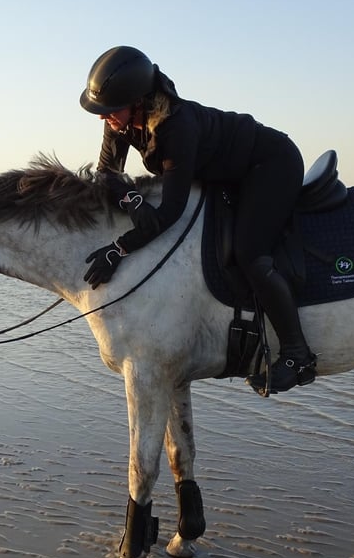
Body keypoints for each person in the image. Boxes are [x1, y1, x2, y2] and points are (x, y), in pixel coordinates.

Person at [79, 45, 316, 393]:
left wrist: (118, 249)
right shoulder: (121, 120)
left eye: (111, 110)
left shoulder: (176, 128)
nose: (104, 118)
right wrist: (132, 202)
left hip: (270, 164)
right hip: (225, 171)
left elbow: (170, 214)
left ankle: (298, 356)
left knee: (250, 252)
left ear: (139, 101)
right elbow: (106, 173)